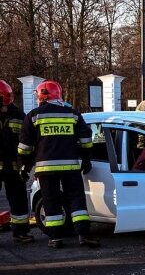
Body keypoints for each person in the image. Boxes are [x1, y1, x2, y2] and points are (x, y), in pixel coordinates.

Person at [17, 80, 99, 248]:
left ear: (42, 95)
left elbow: (25, 148)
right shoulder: (73, 114)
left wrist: (25, 166)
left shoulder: (33, 116)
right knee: (77, 200)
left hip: (45, 169)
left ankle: (55, 238)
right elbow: (86, 140)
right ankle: (83, 234)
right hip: (70, 167)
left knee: (51, 201)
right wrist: (86, 159)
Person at [0, 80, 33, 243]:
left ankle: (20, 232)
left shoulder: (20, 117)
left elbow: (27, 141)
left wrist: (26, 164)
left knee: (18, 200)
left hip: (14, 167)